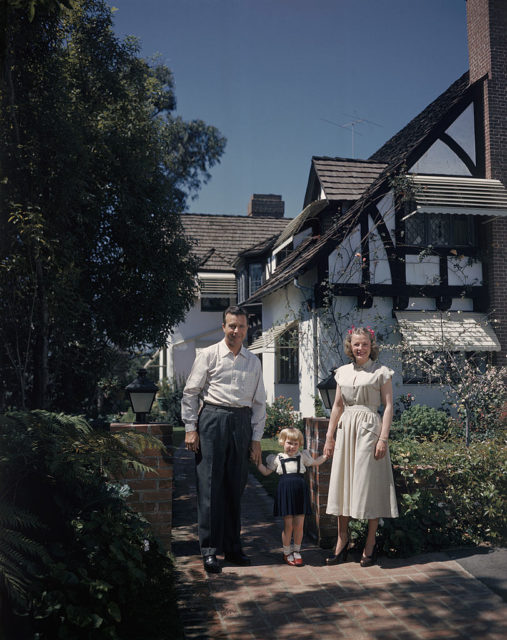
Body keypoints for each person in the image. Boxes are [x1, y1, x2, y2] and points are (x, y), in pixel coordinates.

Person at [181, 305, 266, 574]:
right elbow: (191, 392)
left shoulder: (253, 361)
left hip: (241, 423)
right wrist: (190, 428)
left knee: (235, 487)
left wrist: (256, 438)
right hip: (212, 421)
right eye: (231, 325)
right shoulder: (208, 355)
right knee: (209, 488)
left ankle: (232, 547)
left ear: (246, 328)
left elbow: (259, 403)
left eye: (241, 326)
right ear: (223, 327)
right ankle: (209, 550)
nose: (236, 331)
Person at [323, 326, 398, 567]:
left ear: (371, 345)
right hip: (346, 432)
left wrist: (383, 438)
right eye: (356, 344)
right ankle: (342, 540)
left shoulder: (381, 372)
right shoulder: (342, 373)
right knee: (343, 484)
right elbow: (336, 406)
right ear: (350, 346)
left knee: (369, 485)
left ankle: (370, 543)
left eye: (365, 344)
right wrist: (329, 436)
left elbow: (388, 406)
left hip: (369, 431)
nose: (360, 348)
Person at [257, 427, 328, 567]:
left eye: (296, 444)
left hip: (300, 492)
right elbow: (265, 472)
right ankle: (286, 551)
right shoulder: (278, 459)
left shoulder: (302, 456)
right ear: (283, 442)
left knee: (299, 525)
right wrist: (257, 463)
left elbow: (315, 462)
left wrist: (325, 456)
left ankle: (296, 550)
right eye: (289, 443)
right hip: (286, 492)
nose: (292, 447)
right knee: (288, 525)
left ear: (299, 445)